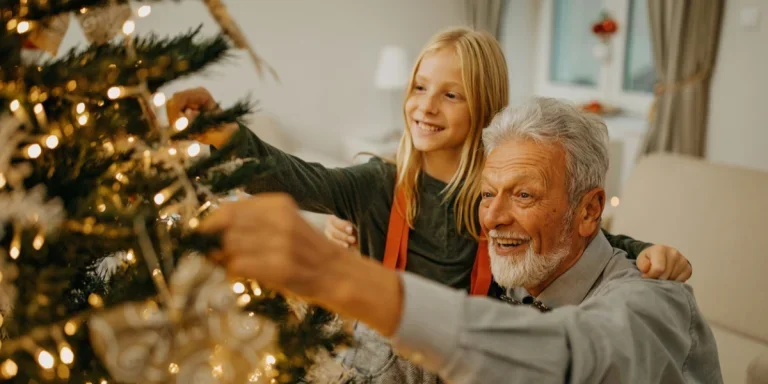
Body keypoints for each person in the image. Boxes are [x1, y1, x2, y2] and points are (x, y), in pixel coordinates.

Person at [169, 28, 691, 382]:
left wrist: (644, 251)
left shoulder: (494, 198)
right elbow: (291, 175)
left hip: (475, 361)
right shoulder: (376, 185)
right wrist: (225, 133)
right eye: (420, 87)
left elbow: (570, 237)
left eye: (451, 95)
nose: (425, 106)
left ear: (484, 107)